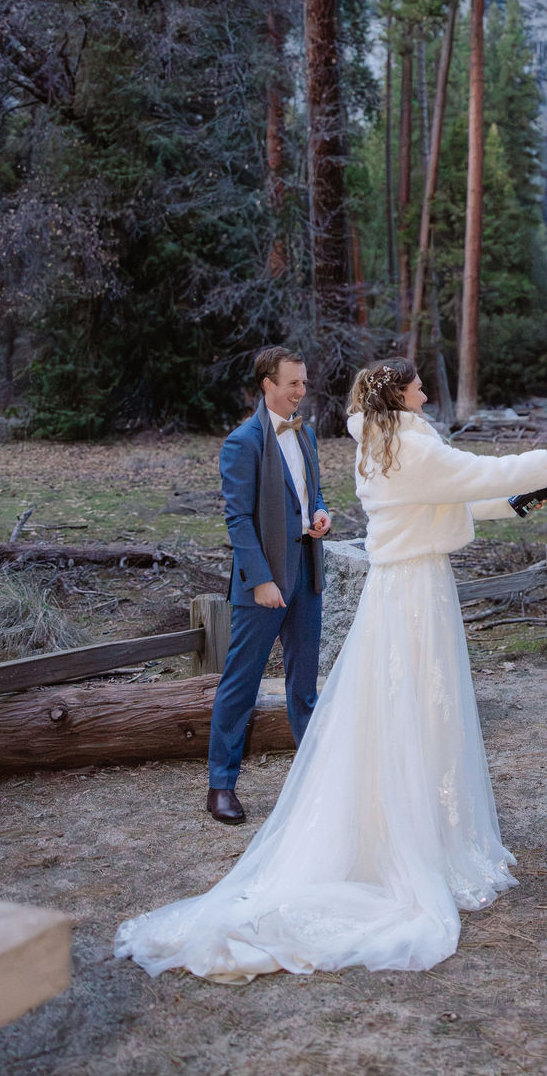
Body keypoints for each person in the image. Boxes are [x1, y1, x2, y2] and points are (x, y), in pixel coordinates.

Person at [114, 357, 547, 981]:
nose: (425, 394)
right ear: (399, 395)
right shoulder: (398, 446)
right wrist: (544, 460)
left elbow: (450, 492)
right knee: (315, 690)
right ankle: (235, 785)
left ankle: (410, 817)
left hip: (384, 582)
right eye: (418, 387)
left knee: (366, 697)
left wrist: (524, 496)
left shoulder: (389, 442)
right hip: (389, 590)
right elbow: (469, 473)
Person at [205, 346, 331, 824]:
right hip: (263, 581)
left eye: (304, 382)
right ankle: (221, 786)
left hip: (307, 573)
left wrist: (320, 511)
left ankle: (317, 782)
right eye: (293, 383)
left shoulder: (306, 434)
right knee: (241, 684)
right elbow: (237, 519)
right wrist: (260, 580)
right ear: (268, 384)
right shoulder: (243, 442)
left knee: (304, 685)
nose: (301, 390)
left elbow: (312, 492)